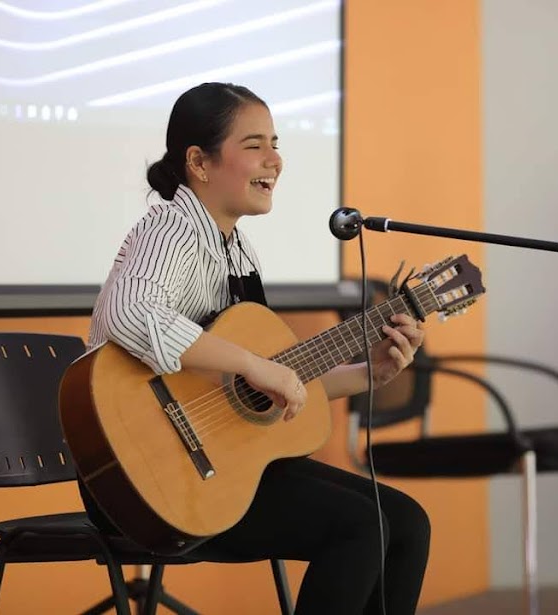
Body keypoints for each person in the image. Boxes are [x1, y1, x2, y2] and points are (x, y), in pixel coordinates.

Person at [82, 82, 430, 615]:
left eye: (276, 142)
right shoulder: (169, 230)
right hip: (148, 481)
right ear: (198, 161)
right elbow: (129, 314)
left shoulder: (236, 249)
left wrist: (372, 372)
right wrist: (253, 365)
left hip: (220, 467)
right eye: (253, 145)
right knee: (361, 527)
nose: (275, 160)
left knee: (405, 522)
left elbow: (272, 384)